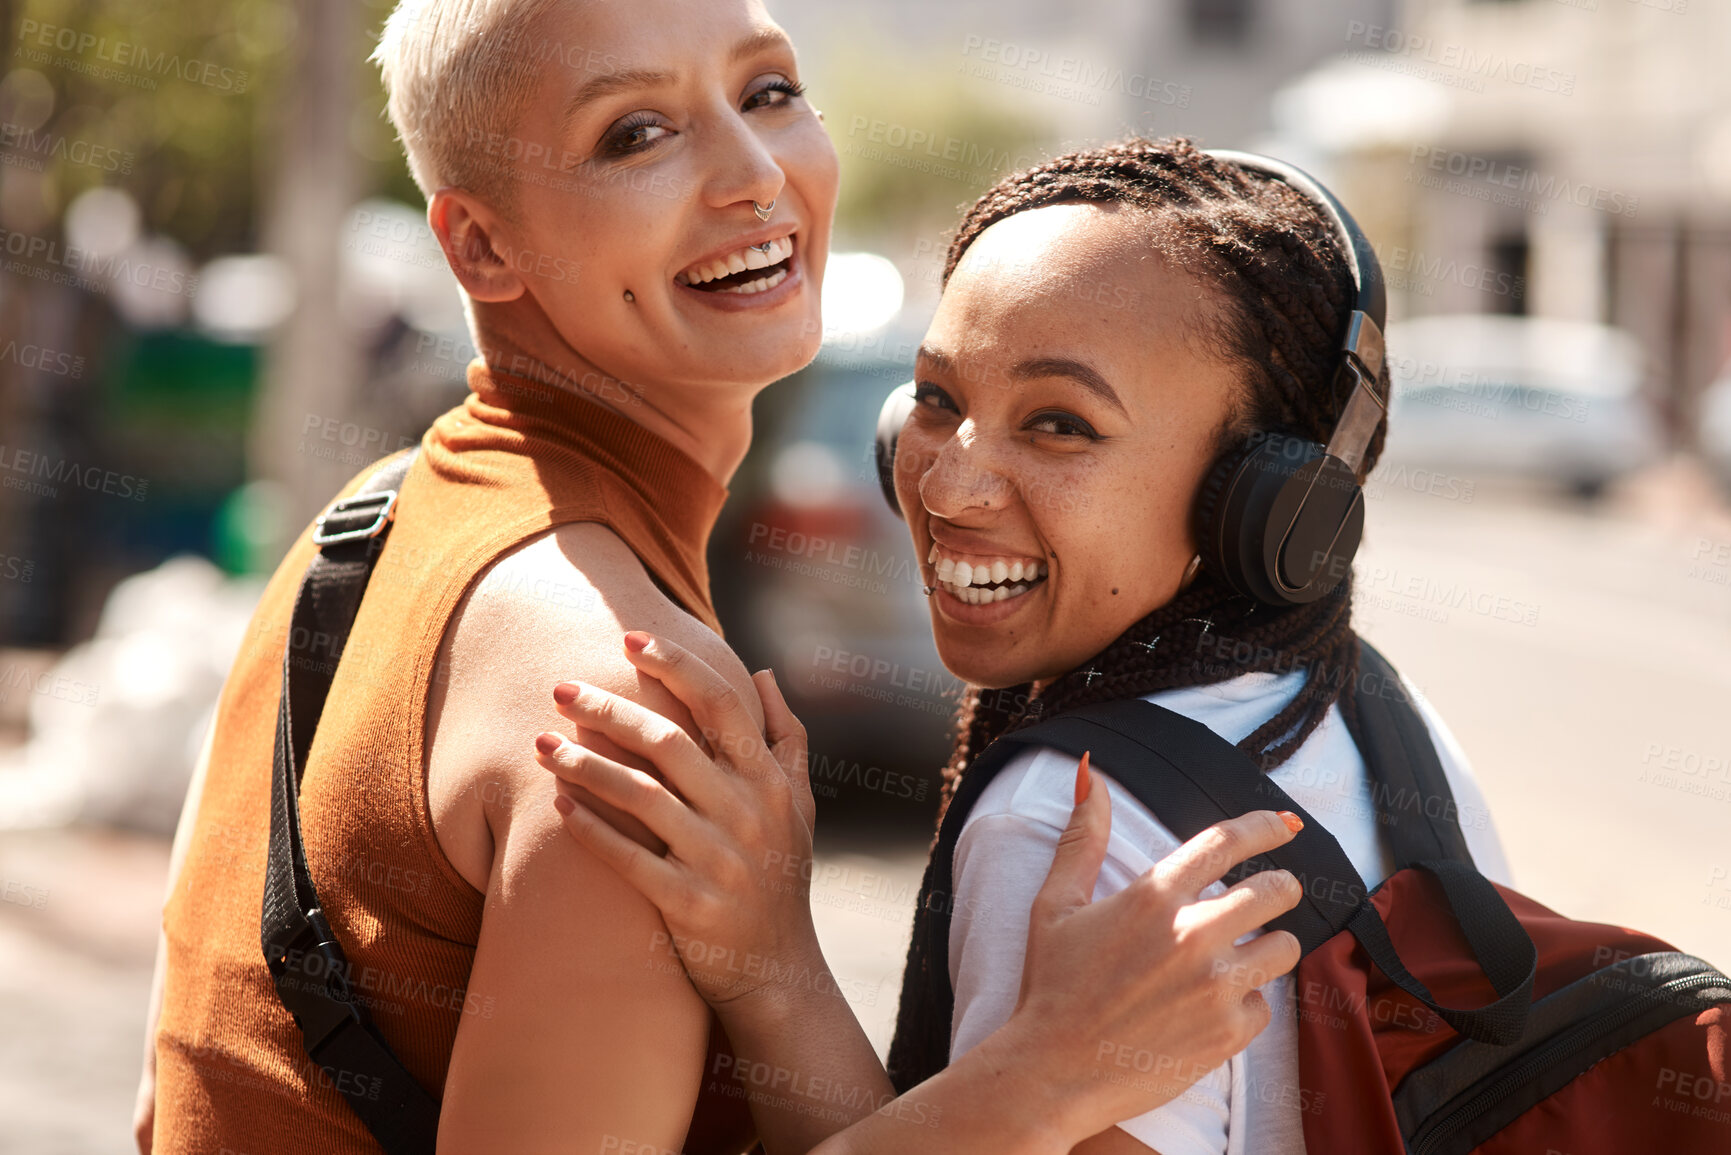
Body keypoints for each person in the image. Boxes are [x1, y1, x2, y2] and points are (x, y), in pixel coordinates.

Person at [135, 2, 1304, 1151]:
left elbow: (175, 1101)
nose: (754, 175)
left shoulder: (368, 520)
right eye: (634, 134)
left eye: (768, 92)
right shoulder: (631, 724)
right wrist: (1034, 1090)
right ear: (480, 246)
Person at [536, 138, 1515, 1154]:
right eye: (938, 400)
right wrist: (773, 966)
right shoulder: (1393, 729)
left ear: (1267, 500)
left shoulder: (1070, 824)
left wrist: (1029, 1083)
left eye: (1060, 424)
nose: (946, 488)